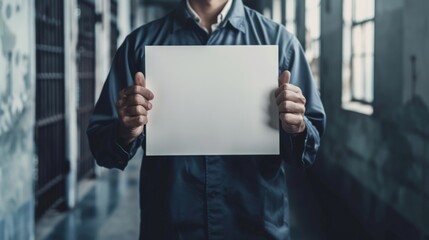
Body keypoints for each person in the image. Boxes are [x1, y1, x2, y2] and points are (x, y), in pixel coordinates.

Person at [87, 0, 326, 239]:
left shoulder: (281, 45)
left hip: (256, 227)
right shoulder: (139, 46)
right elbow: (101, 147)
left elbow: (308, 151)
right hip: (171, 228)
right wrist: (125, 131)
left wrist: (298, 127)